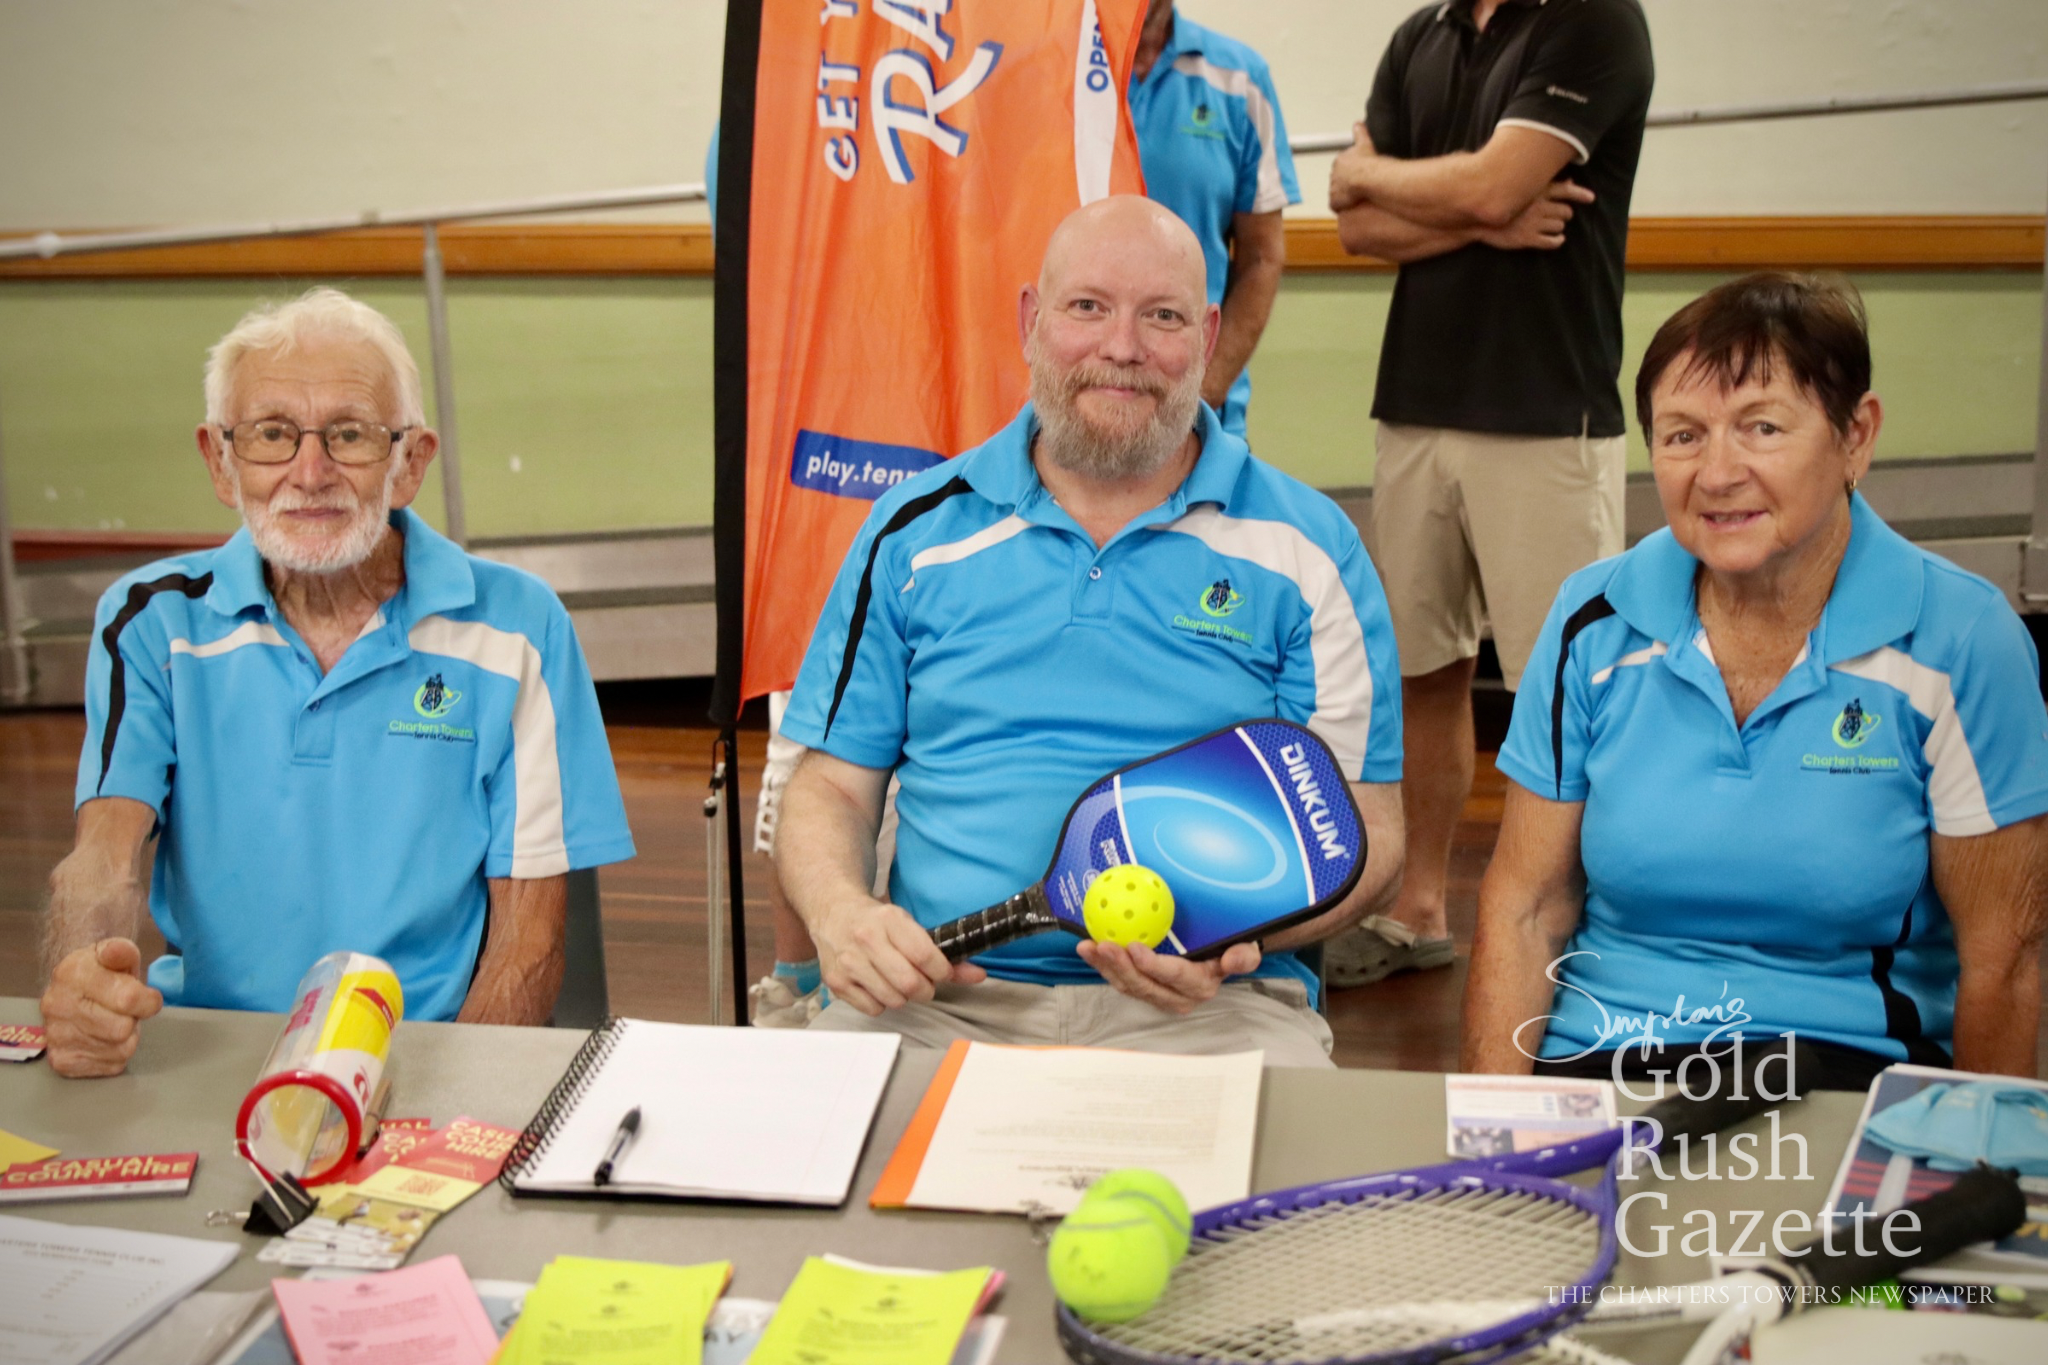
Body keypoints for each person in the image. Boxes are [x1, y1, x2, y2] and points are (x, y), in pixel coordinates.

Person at [772, 196, 1405, 1066]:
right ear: (1032, 320)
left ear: (1208, 335)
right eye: (1088, 307)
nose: (1123, 347)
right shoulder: (912, 532)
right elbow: (831, 789)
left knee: (1275, 1196)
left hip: (1217, 1013)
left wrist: (1232, 945)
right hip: (935, 1001)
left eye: (1164, 316)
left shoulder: (1310, 548)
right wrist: (843, 914)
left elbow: (1370, 834)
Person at [1461, 272, 2048, 1089]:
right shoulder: (1591, 618)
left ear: (1856, 436)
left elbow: (2005, 959)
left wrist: (1966, 1168)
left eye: (1762, 427)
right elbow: (1525, 908)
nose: (1717, 471)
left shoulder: (1961, 638)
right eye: (1681, 435)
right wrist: (1493, 1133)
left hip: (1847, 1070)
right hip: (1605, 1061)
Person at [39, 288, 635, 1078]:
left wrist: (435, 1119)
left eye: (349, 435)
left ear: (409, 461)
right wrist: (85, 977)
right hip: (206, 1053)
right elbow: (103, 858)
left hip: (422, 1057)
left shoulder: (519, 628)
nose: (309, 472)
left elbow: (527, 941)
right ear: (221, 460)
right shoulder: (149, 623)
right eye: (271, 434)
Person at [1322, 0, 1654, 987]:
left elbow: (1487, 182)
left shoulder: (1595, 22)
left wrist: (1389, 178)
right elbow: (1351, 228)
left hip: (1545, 414)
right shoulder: (1418, 38)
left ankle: (1580, 930)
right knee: (1423, 671)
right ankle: (1415, 910)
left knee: (1570, 690)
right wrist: (1477, 217)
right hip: (1415, 407)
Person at [1127, 0, 1297, 436]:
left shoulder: (1240, 77)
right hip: (1066, 413)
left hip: (1200, 415)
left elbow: (1262, 257)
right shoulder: (1050, 69)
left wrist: (1204, 391)